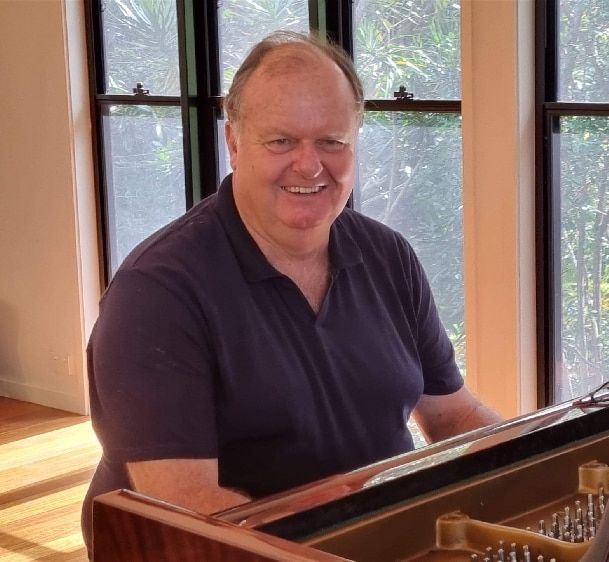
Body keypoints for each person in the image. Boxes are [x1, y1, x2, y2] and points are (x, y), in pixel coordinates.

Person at [80, 30, 501, 556]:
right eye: (281, 141)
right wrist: (329, 517)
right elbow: (184, 509)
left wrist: (554, 454)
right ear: (234, 142)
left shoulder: (389, 255)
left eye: (332, 141)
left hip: (378, 537)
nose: (310, 165)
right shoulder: (157, 292)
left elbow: (453, 416)